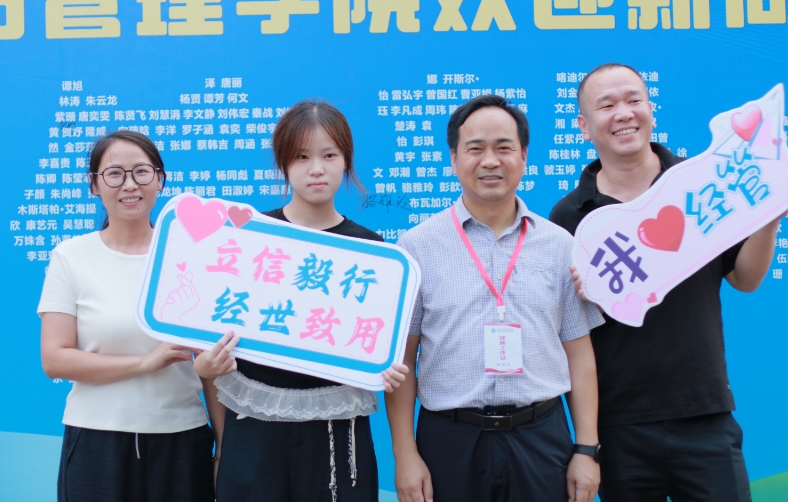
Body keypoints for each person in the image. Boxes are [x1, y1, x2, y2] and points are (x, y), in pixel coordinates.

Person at [549, 63, 782, 502]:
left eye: (634, 99)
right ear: (583, 126)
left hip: (704, 412)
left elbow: (746, 279)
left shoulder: (699, 184)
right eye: (607, 105)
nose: (624, 113)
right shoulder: (570, 216)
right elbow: (571, 334)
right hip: (620, 425)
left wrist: (769, 215)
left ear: (650, 110)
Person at [386, 94, 605, 502]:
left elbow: (579, 355)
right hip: (449, 441)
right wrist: (405, 454)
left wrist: (586, 448)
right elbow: (403, 361)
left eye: (504, 147)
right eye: (475, 149)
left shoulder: (560, 245)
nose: (490, 161)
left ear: (524, 157)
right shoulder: (417, 247)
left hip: (541, 437)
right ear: (454, 159)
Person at [194, 100, 408, 502]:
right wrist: (205, 364)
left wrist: (384, 367)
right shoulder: (251, 235)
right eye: (302, 157)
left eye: (329, 155)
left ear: (346, 161)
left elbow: (377, 344)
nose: (317, 169)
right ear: (283, 164)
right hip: (254, 427)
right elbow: (214, 335)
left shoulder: (371, 250)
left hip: (336, 431)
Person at [39, 130, 220, 502]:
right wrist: (144, 363)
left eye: (141, 171)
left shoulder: (191, 255)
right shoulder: (71, 257)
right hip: (96, 441)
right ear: (94, 185)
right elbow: (55, 359)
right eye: (114, 174)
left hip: (182, 439)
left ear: (159, 179)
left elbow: (212, 364)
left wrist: (225, 446)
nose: (129, 184)